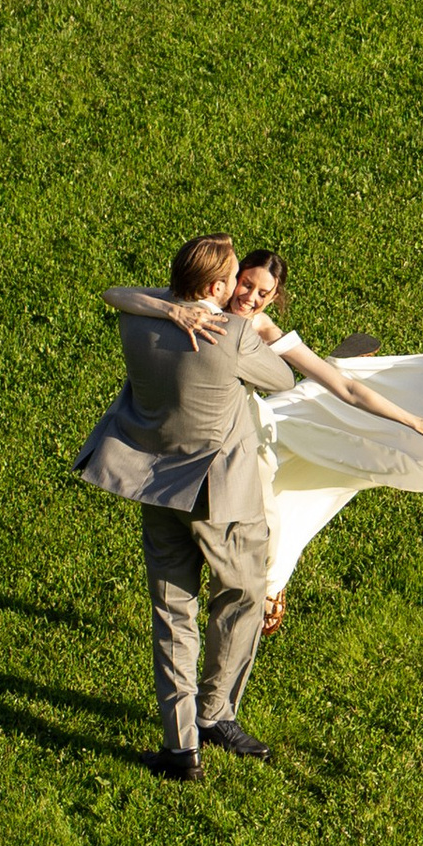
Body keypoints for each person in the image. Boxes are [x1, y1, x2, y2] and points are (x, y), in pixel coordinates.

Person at [111, 252, 423, 632]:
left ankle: (271, 588)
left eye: (263, 292)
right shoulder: (207, 304)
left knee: (266, 523)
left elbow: (348, 390)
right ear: (233, 278)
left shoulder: (260, 327)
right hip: (214, 428)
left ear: (274, 297)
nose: (250, 298)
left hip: (253, 434)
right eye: (246, 285)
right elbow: (116, 294)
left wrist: (420, 425)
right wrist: (173, 312)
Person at [74, 232, 292, 784]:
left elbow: (118, 292)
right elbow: (284, 378)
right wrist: (260, 332)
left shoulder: (137, 321)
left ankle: (181, 748)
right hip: (222, 500)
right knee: (240, 598)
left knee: (173, 614)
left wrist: (174, 306)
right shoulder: (235, 335)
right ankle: (217, 713)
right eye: (237, 280)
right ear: (218, 288)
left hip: (155, 489)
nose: (245, 290)